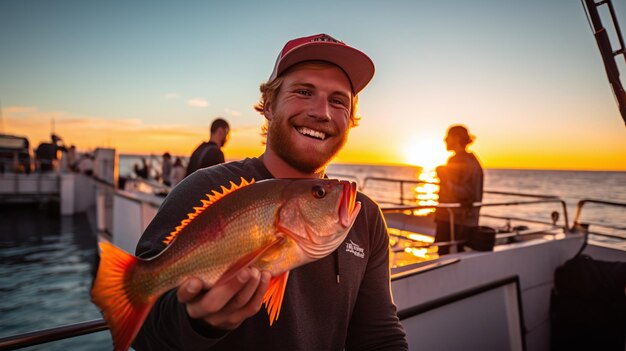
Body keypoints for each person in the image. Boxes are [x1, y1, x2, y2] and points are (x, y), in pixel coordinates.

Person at [132, 33, 408, 350]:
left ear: (350, 118)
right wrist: (198, 322)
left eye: (338, 100)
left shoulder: (366, 216)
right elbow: (143, 331)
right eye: (304, 92)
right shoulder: (206, 188)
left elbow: (379, 335)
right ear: (268, 105)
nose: (323, 112)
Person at [434, 124, 484, 255]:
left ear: (456, 138)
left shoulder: (463, 162)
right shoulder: (470, 160)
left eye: (448, 137)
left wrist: (443, 177)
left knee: (446, 258)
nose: (445, 140)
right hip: (461, 220)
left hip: (454, 222)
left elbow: (466, 195)